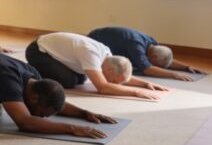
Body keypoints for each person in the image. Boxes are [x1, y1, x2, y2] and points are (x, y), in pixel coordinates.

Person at [25, 32, 168, 100]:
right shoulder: (92, 55)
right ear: (108, 70)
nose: (114, 84)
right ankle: (32, 71)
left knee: (80, 79)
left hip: (53, 49)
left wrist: (144, 83)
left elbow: (118, 77)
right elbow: (103, 87)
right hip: (38, 51)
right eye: (113, 81)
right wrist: (136, 93)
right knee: (69, 81)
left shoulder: (108, 56)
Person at [87, 26, 207, 81]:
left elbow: (165, 61)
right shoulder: (136, 47)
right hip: (93, 42)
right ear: (152, 57)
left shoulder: (153, 43)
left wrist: (186, 67)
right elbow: (147, 69)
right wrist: (173, 75)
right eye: (157, 65)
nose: (157, 67)